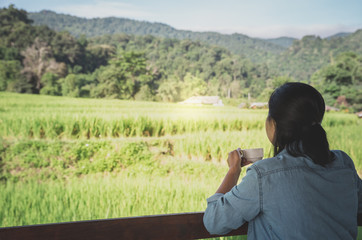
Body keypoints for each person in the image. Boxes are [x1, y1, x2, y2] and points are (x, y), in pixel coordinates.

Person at [203, 82, 362, 239]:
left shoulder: (264, 175)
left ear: (273, 124)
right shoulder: (343, 162)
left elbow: (214, 222)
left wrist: (233, 171)